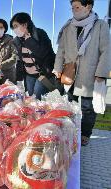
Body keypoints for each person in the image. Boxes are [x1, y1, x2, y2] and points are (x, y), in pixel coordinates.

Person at [53, 0, 111, 146]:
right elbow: (61, 50)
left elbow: (106, 50)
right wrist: (58, 68)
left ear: (88, 7)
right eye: (72, 7)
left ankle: (85, 133)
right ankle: (69, 131)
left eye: (77, 7)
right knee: (68, 104)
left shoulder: (100, 25)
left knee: (87, 108)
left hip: (90, 73)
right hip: (69, 73)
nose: (74, 10)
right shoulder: (68, 26)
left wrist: (101, 73)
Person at [10, 12, 56, 100]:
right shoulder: (17, 41)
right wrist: (19, 79)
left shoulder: (39, 34)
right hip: (29, 75)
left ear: (25, 24)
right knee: (30, 98)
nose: (14, 29)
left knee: (38, 98)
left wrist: (29, 40)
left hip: (43, 74)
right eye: (13, 27)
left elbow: (43, 53)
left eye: (16, 26)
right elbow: (19, 60)